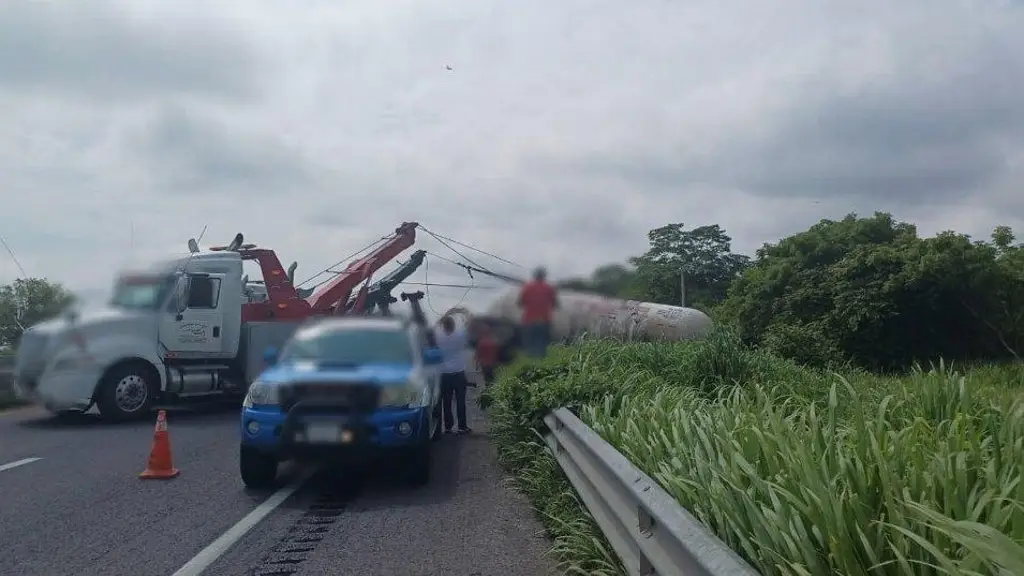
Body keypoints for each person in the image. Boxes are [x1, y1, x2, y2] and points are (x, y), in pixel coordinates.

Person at [433, 315, 472, 434]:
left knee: (446, 401)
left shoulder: (438, 336)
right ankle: (462, 426)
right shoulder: (460, 335)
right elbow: (468, 340)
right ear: (454, 325)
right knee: (461, 401)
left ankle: (448, 427)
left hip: (444, 373)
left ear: (443, 325)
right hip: (459, 372)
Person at [517, 266, 558, 358]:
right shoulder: (549, 288)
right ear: (544, 276)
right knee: (542, 346)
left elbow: (520, 303)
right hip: (544, 321)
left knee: (529, 346)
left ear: (535, 276)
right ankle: (540, 366)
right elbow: (555, 304)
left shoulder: (527, 287)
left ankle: (530, 365)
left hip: (529, 321)